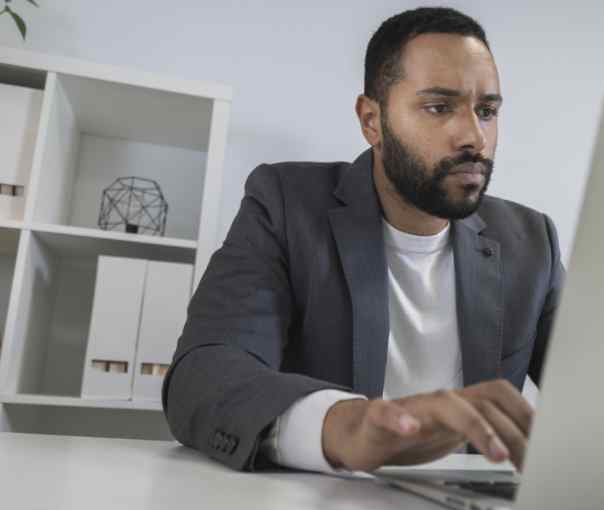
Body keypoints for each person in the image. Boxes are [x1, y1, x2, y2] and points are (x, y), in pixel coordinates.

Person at [162, 6, 564, 474]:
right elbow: (202, 375)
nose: (474, 136)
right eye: (439, 107)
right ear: (372, 120)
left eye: (487, 111)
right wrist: (341, 425)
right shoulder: (287, 206)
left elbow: (603, 396)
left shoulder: (532, 241)